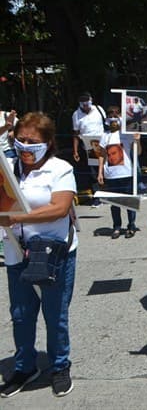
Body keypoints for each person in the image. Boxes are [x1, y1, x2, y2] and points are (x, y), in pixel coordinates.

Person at [0, 112, 77, 397]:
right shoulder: (7, 166)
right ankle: (24, 366)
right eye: (20, 140)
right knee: (21, 314)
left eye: (32, 141)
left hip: (52, 253)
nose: (25, 146)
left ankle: (59, 366)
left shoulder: (61, 169)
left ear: (47, 142)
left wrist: (18, 218)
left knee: (55, 313)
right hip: (15, 251)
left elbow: (59, 207)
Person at [97, 107, 140, 239]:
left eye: (116, 114)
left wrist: (137, 140)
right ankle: (116, 227)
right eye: (111, 115)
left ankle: (131, 226)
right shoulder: (105, 136)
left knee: (129, 202)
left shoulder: (126, 134)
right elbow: (101, 155)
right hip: (111, 174)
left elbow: (138, 152)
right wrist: (100, 172)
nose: (113, 117)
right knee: (115, 203)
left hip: (127, 173)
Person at [71, 91, 106, 205]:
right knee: (93, 172)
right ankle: (97, 196)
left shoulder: (99, 109)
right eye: (83, 103)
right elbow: (76, 134)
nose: (86, 105)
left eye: (87, 102)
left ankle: (108, 193)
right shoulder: (76, 115)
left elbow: (108, 124)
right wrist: (75, 151)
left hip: (102, 142)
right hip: (88, 144)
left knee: (105, 169)